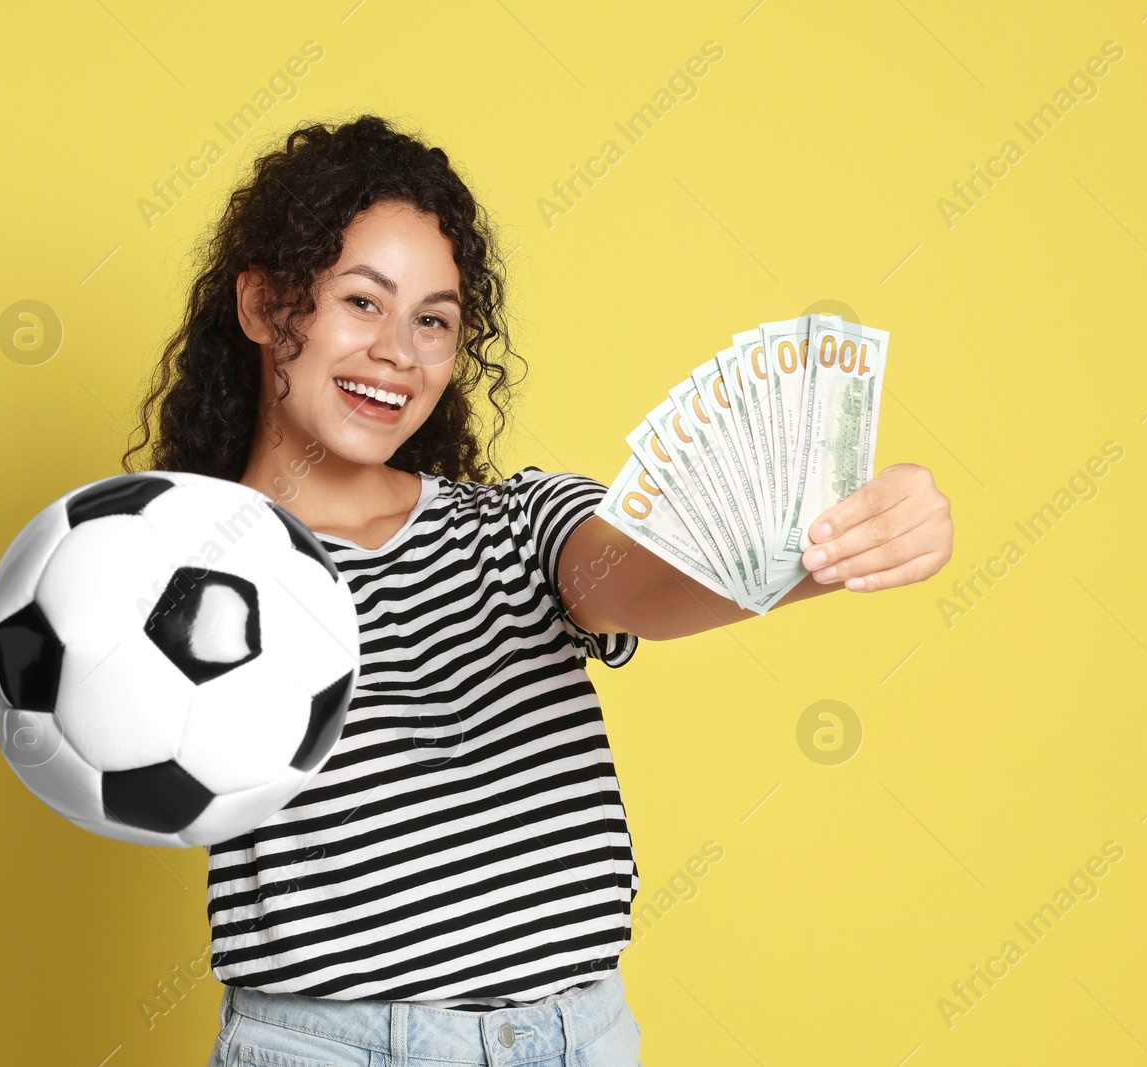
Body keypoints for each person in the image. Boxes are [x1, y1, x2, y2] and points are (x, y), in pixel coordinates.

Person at [122, 112, 952, 1067]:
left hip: (573, 1037)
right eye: (362, 301)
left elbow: (648, 576)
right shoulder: (177, 575)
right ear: (267, 306)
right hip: (330, 1046)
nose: (399, 350)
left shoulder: (517, 528)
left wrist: (829, 548)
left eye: (433, 319)